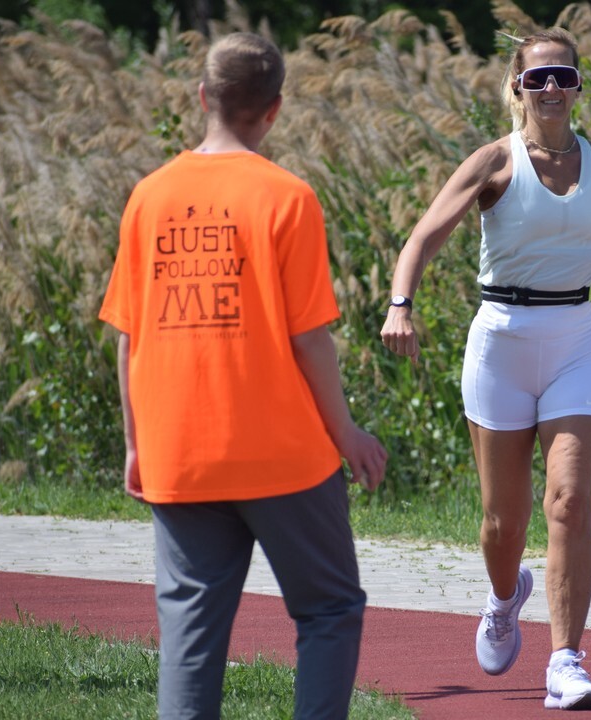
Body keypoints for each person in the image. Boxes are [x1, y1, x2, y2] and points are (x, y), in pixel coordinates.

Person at [98, 32, 388, 720]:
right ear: (274, 108)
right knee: (329, 609)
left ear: (203, 97)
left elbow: (128, 340)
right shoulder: (288, 197)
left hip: (180, 451)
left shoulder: (149, 197)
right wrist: (345, 432)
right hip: (283, 455)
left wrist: (137, 445)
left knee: (189, 633)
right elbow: (309, 339)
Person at [379, 27, 591, 711]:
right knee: (502, 524)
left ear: (579, 86)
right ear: (517, 87)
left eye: (563, 76)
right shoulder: (494, 162)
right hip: (500, 343)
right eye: (537, 78)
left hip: (574, 339)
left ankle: (566, 662)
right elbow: (422, 238)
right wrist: (400, 305)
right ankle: (505, 598)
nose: (551, 87)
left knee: (568, 501)